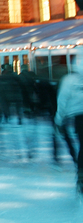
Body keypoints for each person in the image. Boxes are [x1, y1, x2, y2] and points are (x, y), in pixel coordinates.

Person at [54, 57, 83, 195]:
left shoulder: (69, 80)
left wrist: (59, 119)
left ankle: (81, 176)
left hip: (77, 117)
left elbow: (62, 100)